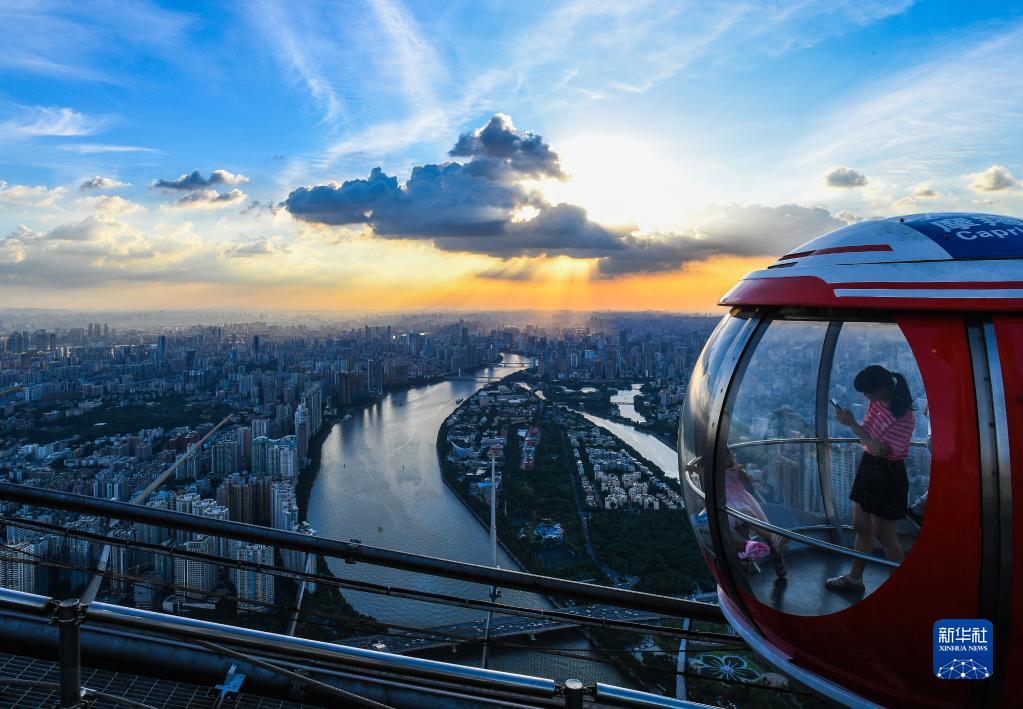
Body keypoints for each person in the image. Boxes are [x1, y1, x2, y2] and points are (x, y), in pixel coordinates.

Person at [826, 365, 915, 591]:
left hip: (889, 473)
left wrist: (852, 425)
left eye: (868, 391)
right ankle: (855, 578)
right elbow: (868, 437)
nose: (865, 396)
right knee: (861, 526)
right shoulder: (876, 403)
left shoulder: (904, 415)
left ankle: (901, 589)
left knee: (886, 537)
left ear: (882, 388)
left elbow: (881, 450)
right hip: (869, 466)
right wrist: (855, 427)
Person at [725, 448, 787, 578]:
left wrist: (739, 471)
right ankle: (773, 542)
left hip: (741, 500)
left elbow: (746, 481)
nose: (731, 456)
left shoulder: (737, 469)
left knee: (754, 519)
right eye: (727, 455)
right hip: (729, 503)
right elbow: (703, 472)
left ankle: (775, 549)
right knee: (746, 520)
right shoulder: (716, 472)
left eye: (730, 453)